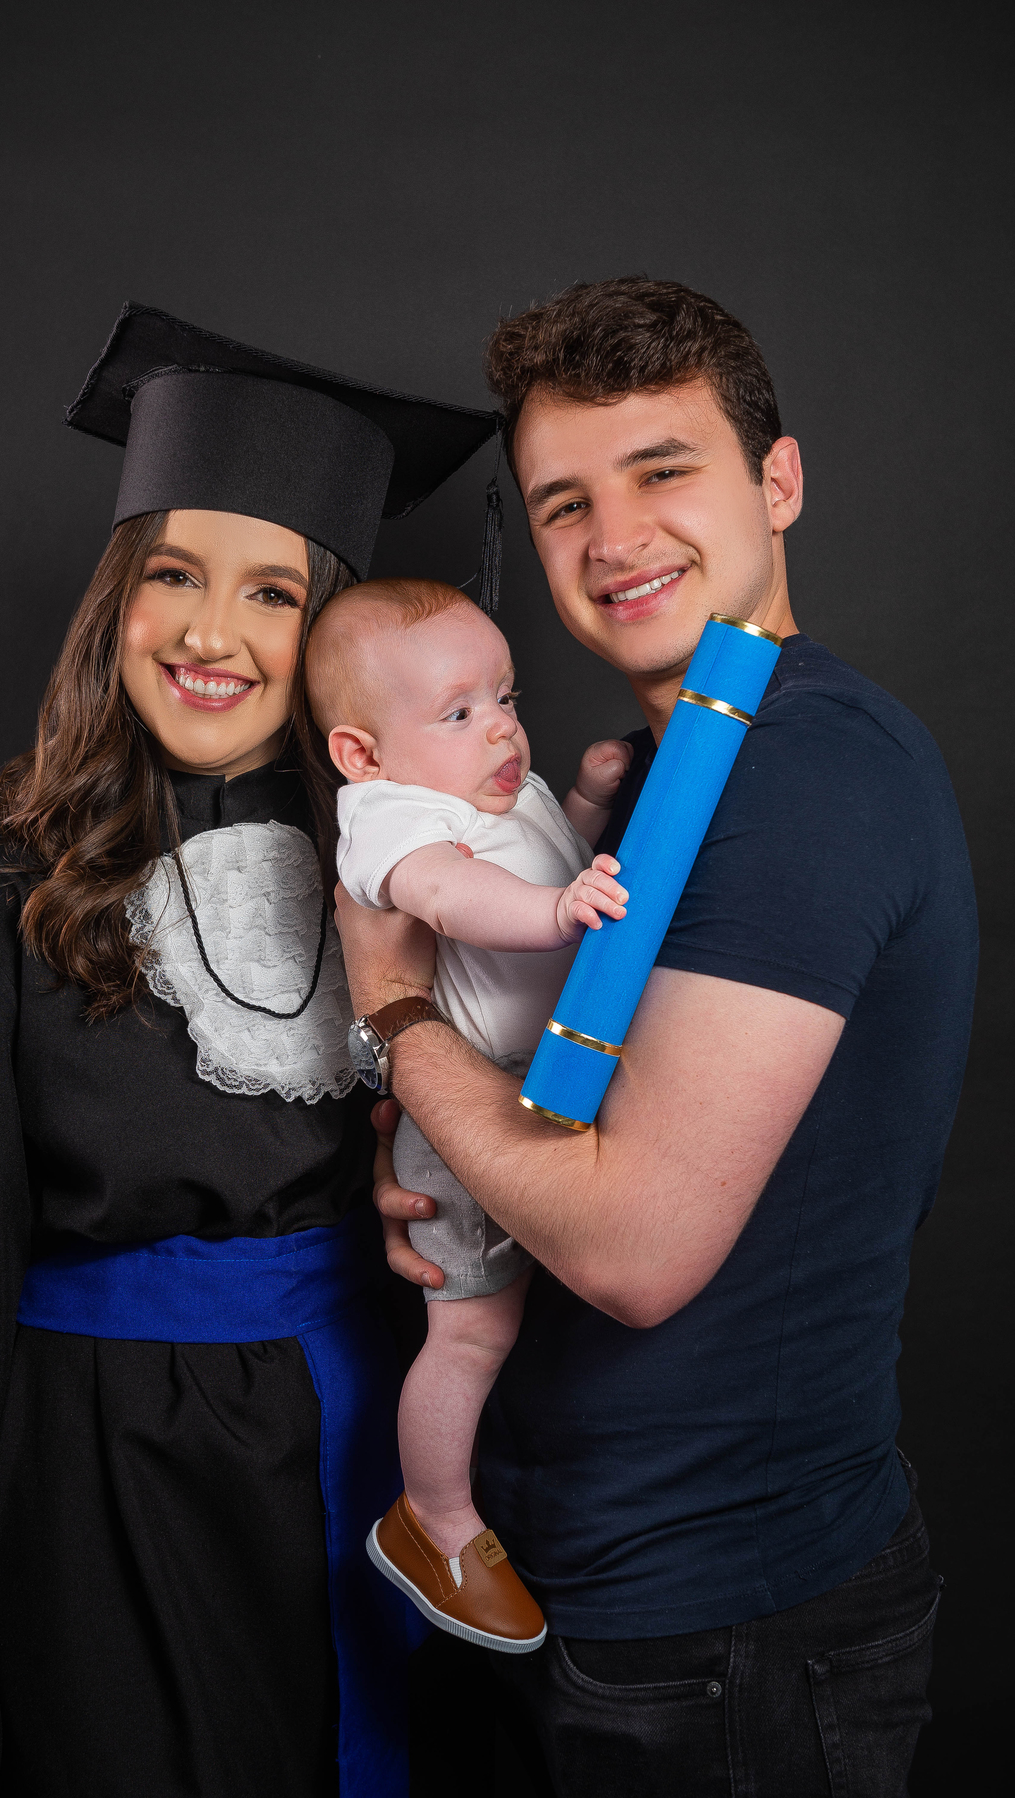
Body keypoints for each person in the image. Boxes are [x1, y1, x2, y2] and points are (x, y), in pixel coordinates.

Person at [0, 301, 500, 1798]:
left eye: (272, 592)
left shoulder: (414, 891)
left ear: (329, 639)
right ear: (116, 601)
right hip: (103, 1500)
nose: (212, 632)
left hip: (374, 1459)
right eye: (173, 575)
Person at [334, 278, 977, 1796]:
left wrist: (395, 1012)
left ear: (779, 482)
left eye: (663, 470)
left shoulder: (807, 775)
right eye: (566, 501)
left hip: (726, 1623)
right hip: (578, 1580)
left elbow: (631, 1248)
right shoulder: (669, 776)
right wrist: (442, 1151)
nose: (614, 537)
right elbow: (572, 1122)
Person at [302, 576, 630, 1653]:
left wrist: (580, 803)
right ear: (362, 754)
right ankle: (432, 1520)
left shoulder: (490, 785)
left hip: (545, 1089)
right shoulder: (392, 816)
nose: (500, 727)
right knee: (472, 1331)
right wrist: (558, 911)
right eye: (459, 710)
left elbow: (538, 854)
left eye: (507, 697)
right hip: (467, 1109)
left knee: (557, 1312)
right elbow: (452, 895)